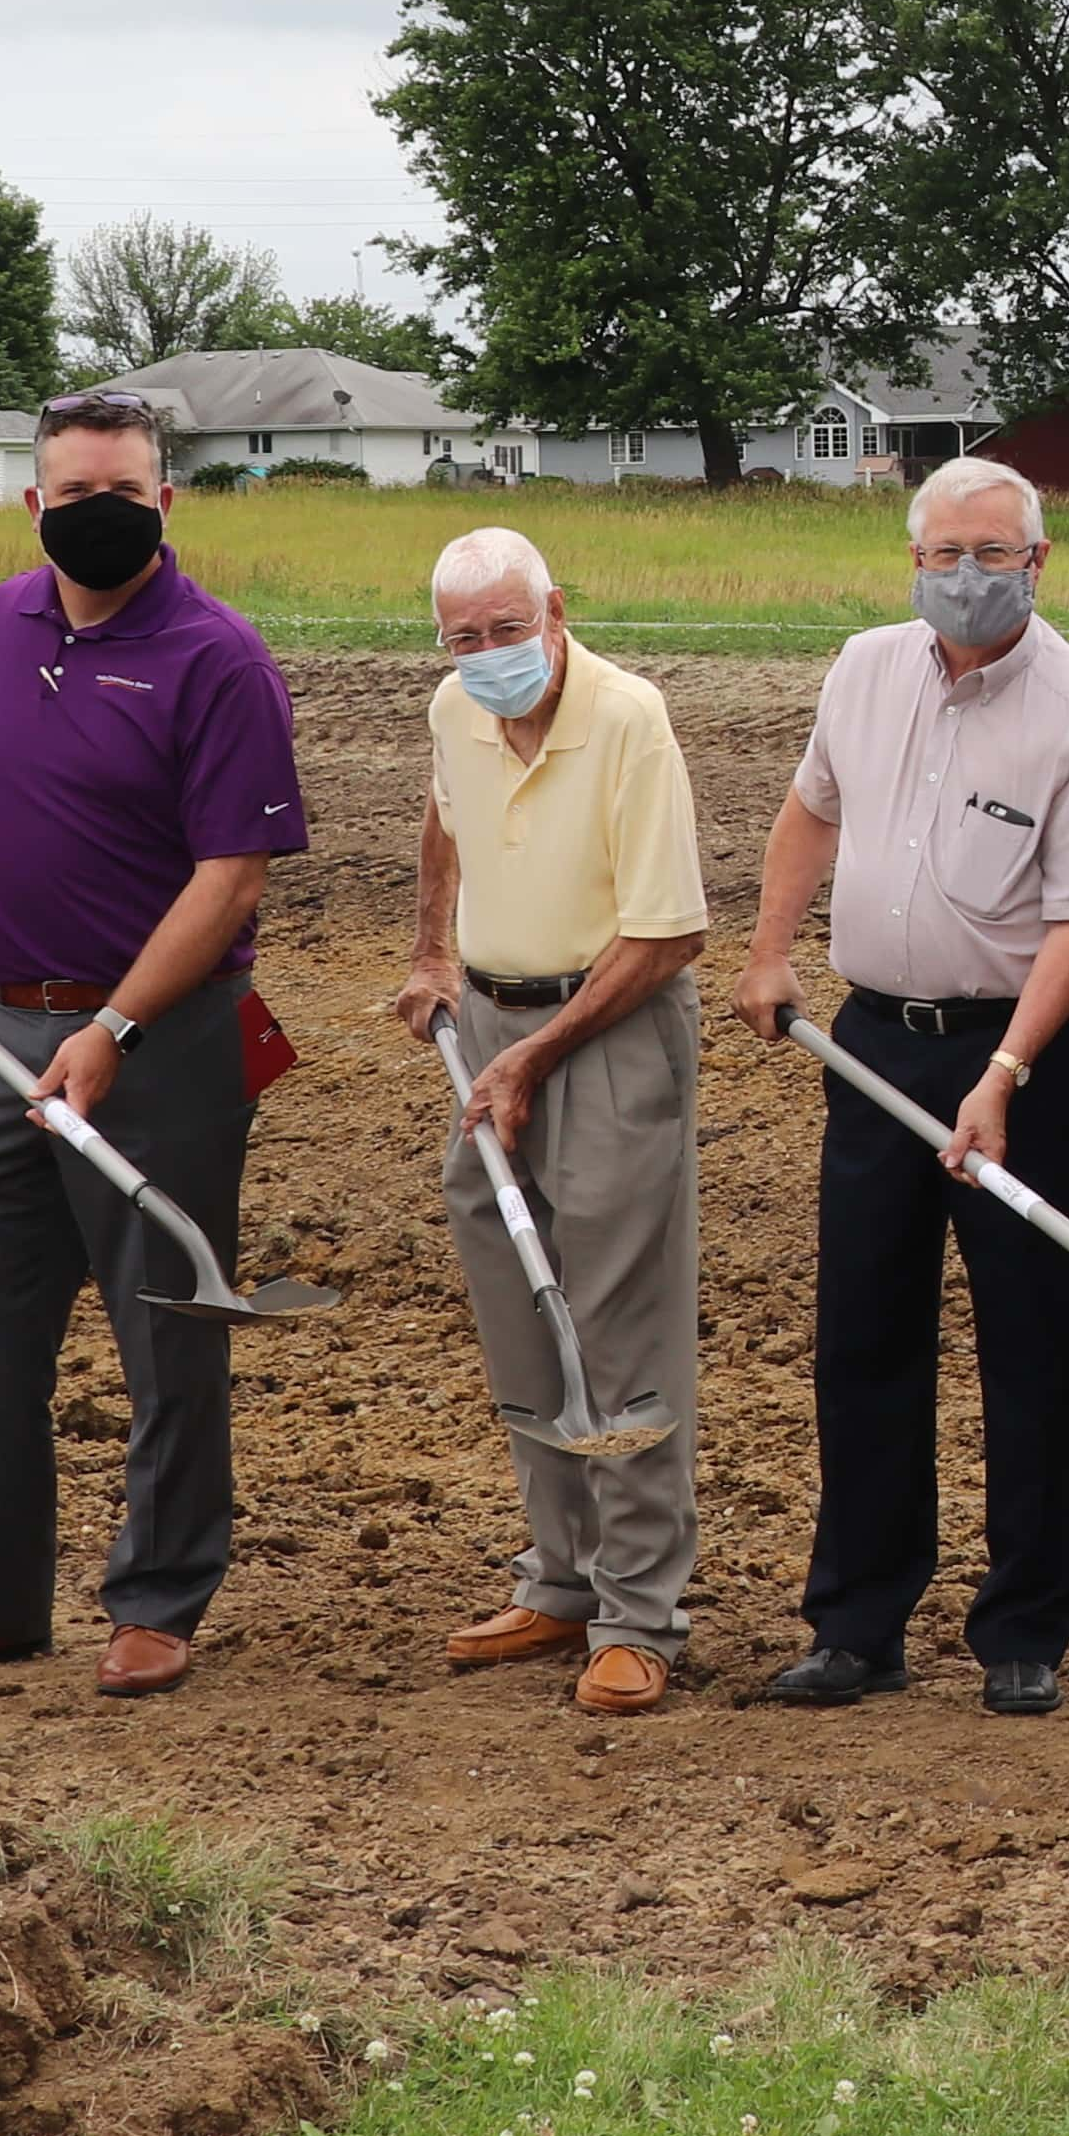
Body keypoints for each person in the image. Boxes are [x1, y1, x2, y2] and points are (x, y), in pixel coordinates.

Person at [0, 389, 312, 1698]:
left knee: (169, 1317)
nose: (97, 513)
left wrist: (113, 1027)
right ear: (33, 503)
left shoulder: (219, 657)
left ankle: (157, 1601)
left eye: (124, 493)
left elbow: (231, 878)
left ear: (164, 504)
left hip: (160, 1041)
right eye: (74, 493)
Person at [734, 457, 1069, 1719]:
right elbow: (811, 812)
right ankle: (858, 1622)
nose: (965, 578)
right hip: (870, 1047)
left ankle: (1024, 1627)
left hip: (1026, 1055)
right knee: (864, 1331)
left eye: (992, 555)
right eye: (943, 555)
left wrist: (1006, 1073)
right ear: (911, 560)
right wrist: (769, 949)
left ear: (1039, 563)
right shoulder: (864, 669)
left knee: (1035, 1341)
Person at [396, 526, 711, 1720]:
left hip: (612, 1026)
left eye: (506, 629)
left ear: (556, 611)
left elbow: (668, 931)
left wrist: (534, 1054)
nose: (487, 655)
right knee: (519, 1294)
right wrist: (433, 949)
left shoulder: (628, 718)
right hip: (491, 1020)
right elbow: (443, 819)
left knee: (620, 1314)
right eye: (464, 637)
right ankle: (560, 1577)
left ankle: (640, 1612)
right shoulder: (453, 709)